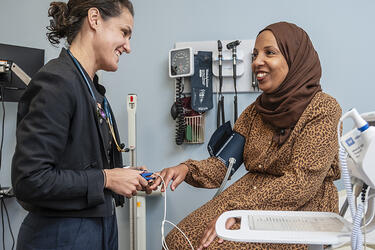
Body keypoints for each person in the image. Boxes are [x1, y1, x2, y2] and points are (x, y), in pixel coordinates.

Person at [150, 21, 342, 250]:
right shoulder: (255, 111)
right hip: (245, 195)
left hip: (298, 206)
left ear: (295, 59)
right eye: (255, 55)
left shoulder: (323, 109)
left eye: (269, 53)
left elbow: (300, 183)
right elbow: (223, 164)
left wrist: (242, 212)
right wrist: (186, 169)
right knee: (177, 241)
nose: (257, 62)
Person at [11, 1, 151, 249]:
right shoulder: (56, 82)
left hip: (99, 227)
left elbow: (79, 162)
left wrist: (125, 175)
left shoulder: (91, 89)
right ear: (95, 19)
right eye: (124, 32)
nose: (128, 47)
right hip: (61, 234)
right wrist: (107, 178)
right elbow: (30, 180)